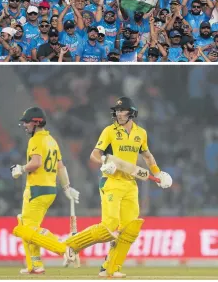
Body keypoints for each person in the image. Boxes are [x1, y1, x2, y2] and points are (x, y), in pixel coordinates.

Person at [63, 97, 172, 277]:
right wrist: (105, 161)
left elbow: (147, 156)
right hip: (111, 181)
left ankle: (111, 267)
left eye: (123, 111)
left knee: (129, 229)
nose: (119, 113)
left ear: (132, 113)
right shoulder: (109, 131)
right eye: (118, 111)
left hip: (131, 184)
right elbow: (94, 154)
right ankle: (72, 244)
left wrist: (158, 173)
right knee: (109, 225)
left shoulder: (141, 133)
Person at [11, 107, 80, 275]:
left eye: (27, 122)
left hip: (36, 189)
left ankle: (64, 249)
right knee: (32, 229)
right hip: (50, 189)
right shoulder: (52, 141)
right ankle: (35, 265)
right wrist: (66, 187)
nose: (25, 125)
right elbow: (61, 167)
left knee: (25, 229)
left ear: (36, 122)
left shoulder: (36, 140)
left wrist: (20, 168)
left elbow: (36, 163)